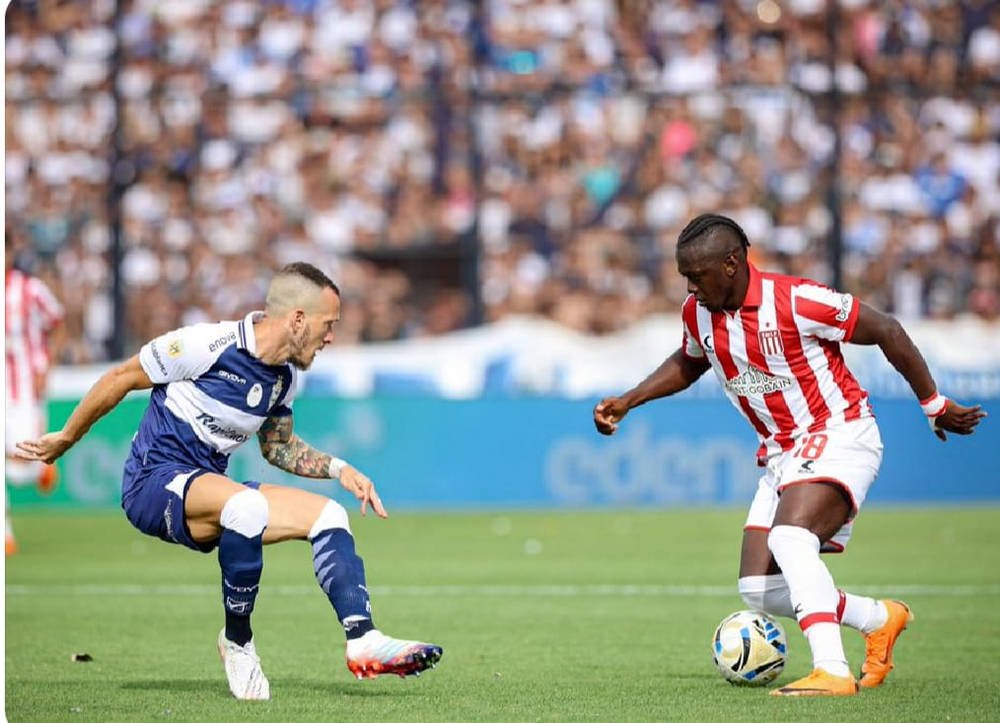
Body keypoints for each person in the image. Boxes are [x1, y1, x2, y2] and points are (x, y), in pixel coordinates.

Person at [593, 214, 986, 696]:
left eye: (697, 276)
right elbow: (690, 361)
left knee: (791, 539)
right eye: (685, 278)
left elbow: (886, 328)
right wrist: (629, 400)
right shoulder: (698, 314)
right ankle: (879, 618)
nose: (690, 287)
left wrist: (934, 404)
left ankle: (833, 671)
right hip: (783, 454)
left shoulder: (797, 300)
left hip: (840, 432)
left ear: (732, 264)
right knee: (758, 590)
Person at [15, 262, 443, 700]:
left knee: (329, 515)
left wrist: (340, 469)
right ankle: (238, 643)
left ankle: (362, 639)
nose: (331, 337)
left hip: (207, 489)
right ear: (297, 319)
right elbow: (123, 377)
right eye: (327, 324)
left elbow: (276, 447)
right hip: (152, 482)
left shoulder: (286, 377)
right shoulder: (207, 344)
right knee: (246, 505)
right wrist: (67, 437)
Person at [5, 242, 63, 555]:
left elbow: (58, 322)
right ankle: (5, 534)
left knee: (19, 469)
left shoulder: (30, 290)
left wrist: (47, 366)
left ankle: (39, 470)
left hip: (23, 389)